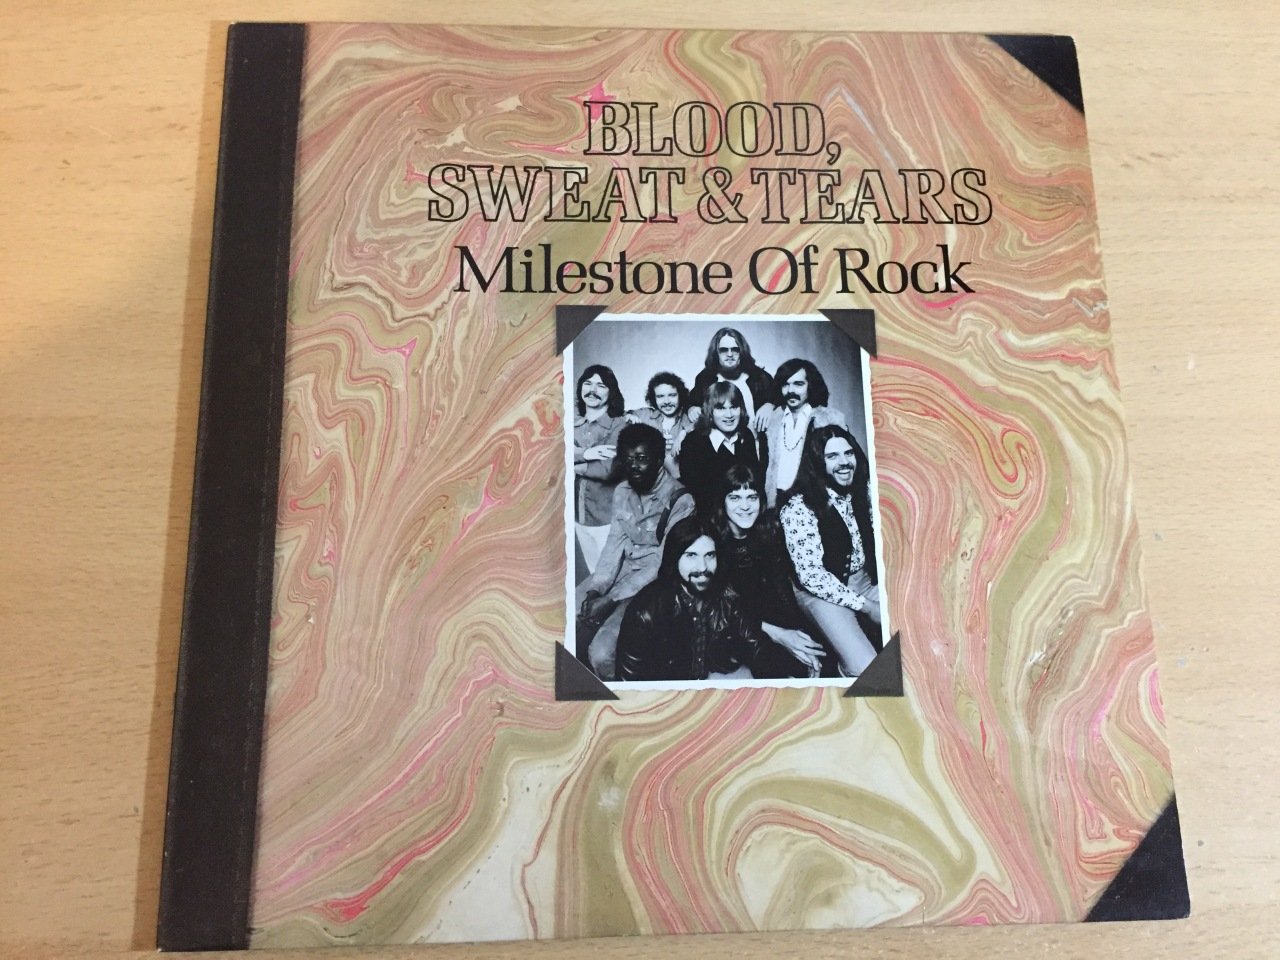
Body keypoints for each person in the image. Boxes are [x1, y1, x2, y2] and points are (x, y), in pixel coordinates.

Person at [576, 423, 695, 680]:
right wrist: (596, 590)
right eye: (628, 459)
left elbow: (663, 563)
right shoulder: (622, 491)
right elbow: (613, 546)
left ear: (659, 460)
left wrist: (610, 599)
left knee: (601, 653)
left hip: (656, 583)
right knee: (568, 613)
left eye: (642, 459)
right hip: (623, 572)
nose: (634, 466)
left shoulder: (681, 500)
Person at [778, 424, 882, 677]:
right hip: (819, 591)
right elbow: (812, 576)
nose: (844, 462)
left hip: (862, 580)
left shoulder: (864, 490)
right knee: (866, 670)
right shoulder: (798, 507)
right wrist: (868, 606)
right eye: (832, 456)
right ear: (817, 462)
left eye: (849, 453)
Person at [710, 465, 826, 677]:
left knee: (820, 658)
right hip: (737, 629)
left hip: (775, 620)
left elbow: (782, 591)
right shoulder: (712, 544)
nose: (745, 506)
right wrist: (781, 635)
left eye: (752, 497)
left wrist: (799, 634)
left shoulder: (768, 532)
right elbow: (725, 611)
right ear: (722, 503)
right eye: (735, 498)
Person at [615, 515, 763, 682]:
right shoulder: (645, 612)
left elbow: (756, 645)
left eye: (710, 555)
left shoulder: (727, 594)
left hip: (712, 678)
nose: (702, 567)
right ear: (675, 558)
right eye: (691, 555)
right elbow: (630, 684)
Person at [761, 358, 848, 507]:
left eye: (798, 384)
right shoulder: (772, 419)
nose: (791, 391)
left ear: (810, 385)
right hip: (776, 501)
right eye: (785, 384)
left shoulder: (830, 419)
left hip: (815, 501)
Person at [677, 381, 761, 511]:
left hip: (745, 511)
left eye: (734, 407)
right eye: (721, 408)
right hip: (710, 515)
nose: (729, 415)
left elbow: (754, 482)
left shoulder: (746, 436)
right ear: (710, 412)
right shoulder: (693, 443)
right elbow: (695, 494)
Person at [688, 327, 774, 429]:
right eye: (723, 350)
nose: (730, 354)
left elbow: (782, 396)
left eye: (735, 349)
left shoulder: (759, 377)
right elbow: (687, 401)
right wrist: (691, 408)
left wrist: (770, 405)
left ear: (742, 351)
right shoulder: (705, 379)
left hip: (756, 437)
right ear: (716, 353)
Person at [573, 365, 625, 527]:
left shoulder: (620, 425)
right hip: (576, 515)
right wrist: (586, 454)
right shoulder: (572, 425)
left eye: (601, 386)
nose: (592, 390)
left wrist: (570, 463)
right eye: (588, 383)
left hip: (606, 520)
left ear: (611, 392)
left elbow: (608, 469)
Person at [626, 371, 694, 480]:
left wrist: (683, 432)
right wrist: (628, 416)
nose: (666, 401)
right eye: (660, 396)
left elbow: (706, 423)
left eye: (672, 395)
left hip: (678, 481)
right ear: (654, 398)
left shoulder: (687, 419)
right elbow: (619, 416)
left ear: (680, 395)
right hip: (647, 480)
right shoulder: (645, 415)